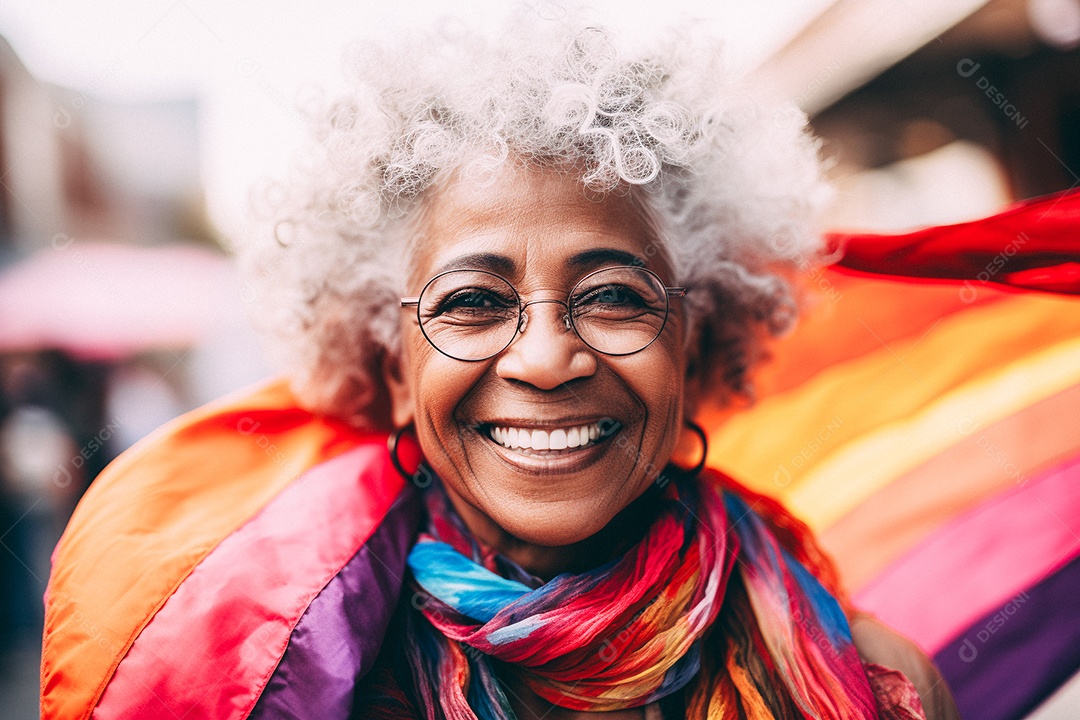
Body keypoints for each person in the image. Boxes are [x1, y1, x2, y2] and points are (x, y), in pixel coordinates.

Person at [41, 16, 962, 720]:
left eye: (614, 295)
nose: (549, 358)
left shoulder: (878, 684)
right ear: (390, 367)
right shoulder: (313, 687)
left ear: (698, 334)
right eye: (472, 303)